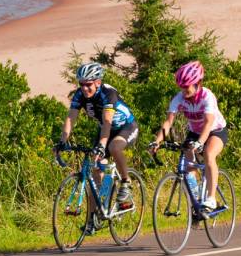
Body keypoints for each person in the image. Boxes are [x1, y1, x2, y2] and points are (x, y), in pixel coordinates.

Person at [56, 62, 139, 232]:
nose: (84, 88)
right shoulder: (80, 95)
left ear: (98, 82)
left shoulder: (108, 94)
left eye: (88, 84)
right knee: (94, 174)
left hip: (125, 127)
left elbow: (107, 122)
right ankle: (93, 219)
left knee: (114, 148)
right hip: (104, 130)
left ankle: (126, 182)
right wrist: (62, 141)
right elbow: (71, 118)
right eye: (81, 84)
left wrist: (102, 146)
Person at [148, 60, 228, 215]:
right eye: (181, 87)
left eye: (187, 87)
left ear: (197, 83)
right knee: (187, 165)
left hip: (215, 131)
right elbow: (168, 122)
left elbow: (208, 123)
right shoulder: (179, 98)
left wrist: (200, 143)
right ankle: (197, 203)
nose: (184, 91)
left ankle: (211, 198)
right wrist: (157, 142)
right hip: (195, 132)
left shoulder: (207, 96)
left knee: (209, 154)